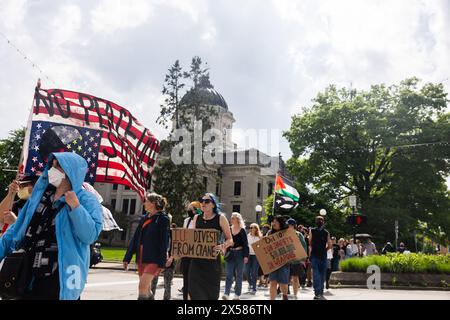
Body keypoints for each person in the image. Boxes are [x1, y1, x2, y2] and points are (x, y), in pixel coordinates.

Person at [0, 152, 103, 300]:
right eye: (52, 165)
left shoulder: (86, 200)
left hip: (60, 277)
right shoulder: (40, 196)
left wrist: (76, 207)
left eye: (57, 166)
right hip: (28, 274)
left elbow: (89, 235)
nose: (51, 169)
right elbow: (17, 230)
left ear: (70, 171)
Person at [123, 193, 170, 300]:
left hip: (153, 258)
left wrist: (162, 263)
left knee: (142, 287)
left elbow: (164, 242)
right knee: (147, 289)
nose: (144, 203)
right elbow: (135, 239)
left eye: (146, 201)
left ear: (153, 203)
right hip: (141, 257)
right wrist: (127, 257)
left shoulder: (163, 219)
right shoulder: (144, 218)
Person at [188, 193, 233, 300]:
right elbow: (192, 238)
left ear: (213, 204)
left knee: (210, 293)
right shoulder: (196, 218)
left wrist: (223, 245)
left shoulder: (220, 218)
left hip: (212, 262)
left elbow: (230, 239)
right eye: (201, 200)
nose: (203, 203)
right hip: (196, 261)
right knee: (193, 291)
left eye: (207, 201)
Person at [223, 212, 249, 300]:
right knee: (229, 274)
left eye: (233, 218)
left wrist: (246, 256)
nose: (231, 219)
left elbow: (246, 244)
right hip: (230, 253)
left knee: (239, 275)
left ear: (238, 219)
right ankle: (226, 293)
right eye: (231, 217)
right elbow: (225, 241)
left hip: (240, 254)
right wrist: (225, 249)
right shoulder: (229, 229)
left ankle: (237, 294)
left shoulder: (242, 230)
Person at [151, 217, 176, 300]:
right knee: (152, 284)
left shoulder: (173, 233)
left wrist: (171, 258)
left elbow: (176, 246)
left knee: (167, 285)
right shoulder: (156, 231)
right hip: (157, 261)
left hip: (169, 262)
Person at [180, 201, 201, 299]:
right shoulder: (186, 221)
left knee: (196, 278)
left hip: (198, 253)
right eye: (188, 209)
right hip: (187, 252)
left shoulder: (201, 220)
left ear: (197, 210)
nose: (189, 211)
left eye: (192, 209)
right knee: (186, 277)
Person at [309, 216, 332, 300]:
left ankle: (318, 292)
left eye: (320, 220)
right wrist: (325, 250)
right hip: (322, 255)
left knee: (317, 274)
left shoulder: (312, 231)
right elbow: (330, 244)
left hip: (315, 254)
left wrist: (314, 248)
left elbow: (310, 242)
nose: (320, 221)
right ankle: (319, 292)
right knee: (321, 274)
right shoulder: (326, 232)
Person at [267, 215, 290, 300]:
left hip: (284, 261)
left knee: (283, 283)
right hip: (273, 261)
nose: (274, 223)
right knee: (273, 282)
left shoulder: (287, 232)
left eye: (276, 222)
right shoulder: (269, 233)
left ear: (281, 223)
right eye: (273, 221)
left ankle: (284, 295)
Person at [286, 218, 307, 299]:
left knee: (295, 278)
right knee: (286, 278)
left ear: (293, 225)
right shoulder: (283, 234)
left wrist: (303, 259)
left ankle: (295, 295)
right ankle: (285, 293)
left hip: (296, 260)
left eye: (290, 225)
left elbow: (303, 246)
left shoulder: (299, 234)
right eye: (287, 225)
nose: (288, 226)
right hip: (286, 260)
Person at [245, 223, 262, 294]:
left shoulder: (259, 237)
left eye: (253, 227)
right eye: (251, 227)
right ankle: (250, 283)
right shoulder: (247, 236)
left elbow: (261, 246)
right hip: (248, 255)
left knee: (254, 272)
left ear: (256, 229)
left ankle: (254, 287)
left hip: (256, 256)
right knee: (247, 271)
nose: (252, 229)